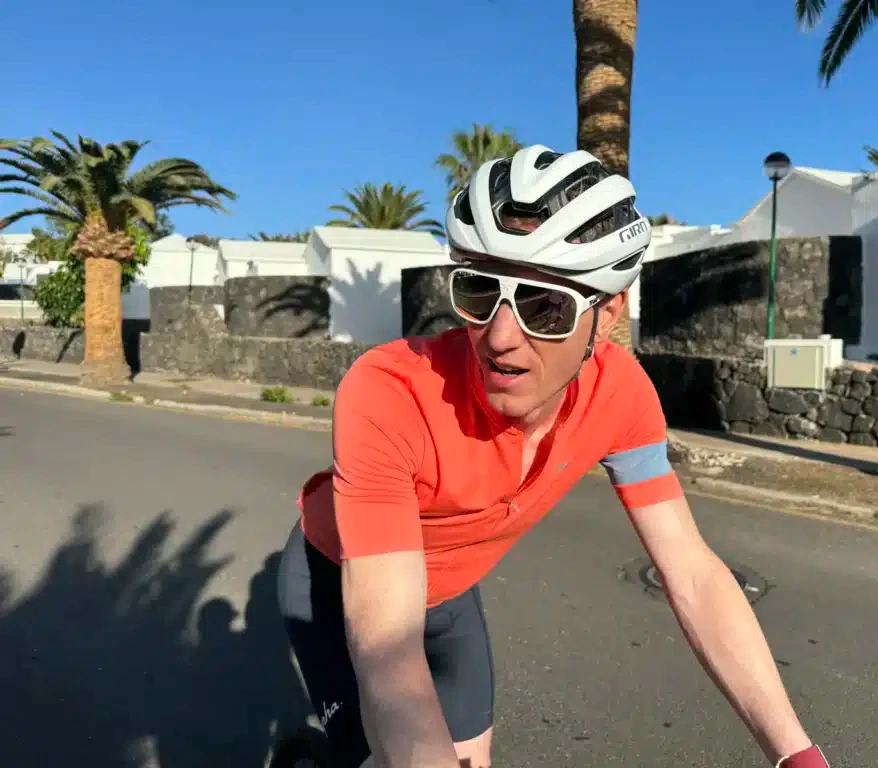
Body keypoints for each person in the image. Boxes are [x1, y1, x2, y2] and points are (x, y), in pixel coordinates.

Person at [276, 144, 831, 768]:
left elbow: (693, 573)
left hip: (450, 592)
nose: (500, 337)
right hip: (339, 581)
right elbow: (387, 651)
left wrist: (797, 755)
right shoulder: (388, 391)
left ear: (608, 312)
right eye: (480, 292)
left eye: (545, 307)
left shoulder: (620, 394)